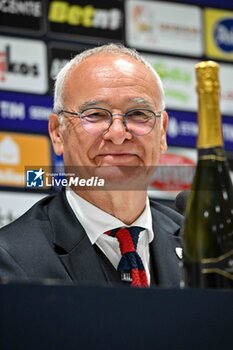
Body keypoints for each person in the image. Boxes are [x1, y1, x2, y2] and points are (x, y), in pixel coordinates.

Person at [0, 44, 183, 287]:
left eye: (138, 113)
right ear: (57, 133)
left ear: (162, 132)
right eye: (95, 115)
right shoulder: (11, 258)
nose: (118, 134)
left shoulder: (210, 246)